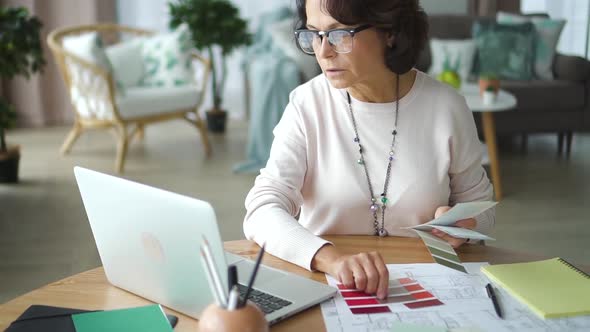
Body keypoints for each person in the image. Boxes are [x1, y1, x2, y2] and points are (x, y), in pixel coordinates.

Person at [243, 0, 494, 300]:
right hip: (328, 285)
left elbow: (481, 205)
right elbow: (261, 210)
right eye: (314, 34)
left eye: (339, 34)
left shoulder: (446, 107)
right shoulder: (306, 105)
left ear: (390, 31)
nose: (323, 52)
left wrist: (463, 224)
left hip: (426, 287)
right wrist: (332, 259)